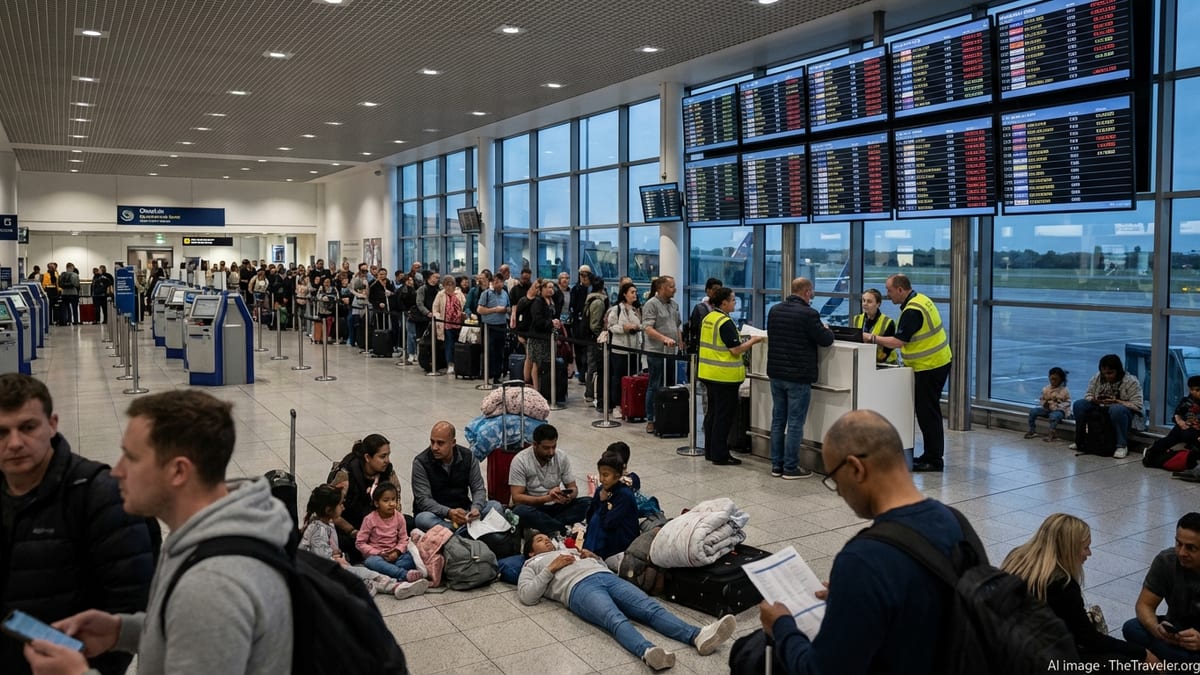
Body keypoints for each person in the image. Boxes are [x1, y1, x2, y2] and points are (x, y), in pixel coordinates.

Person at [22, 389, 293, 675]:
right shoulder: (209, 533)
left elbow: (204, 614)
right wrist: (122, 631)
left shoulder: (210, 586)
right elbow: (193, 635)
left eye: (131, 458)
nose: (117, 471)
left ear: (178, 471)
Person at [758, 409, 970, 674]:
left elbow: (818, 671)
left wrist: (782, 625)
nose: (839, 494)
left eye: (835, 480)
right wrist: (855, 597)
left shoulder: (863, 559)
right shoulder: (956, 522)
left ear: (856, 469)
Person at [0, 375, 157, 675]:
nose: (15, 443)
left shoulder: (100, 495)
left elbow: (129, 607)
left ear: (53, 424)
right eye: (2, 432)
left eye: (28, 427)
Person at [518, 531, 737, 670]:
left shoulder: (570, 550)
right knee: (615, 619)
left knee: (650, 608)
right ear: (530, 553)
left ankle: (697, 635)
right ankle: (648, 652)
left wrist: (594, 558)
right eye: (539, 540)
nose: (546, 540)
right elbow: (527, 596)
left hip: (606, 577)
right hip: (578, 588)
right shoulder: (532, 565)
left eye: (547, 537)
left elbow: (603, 565)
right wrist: (551, 568)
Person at [1002, 514, 1151, 668]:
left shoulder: (1016, 559)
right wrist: (1142, 653)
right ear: (1069, 549)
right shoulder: (1062, 585)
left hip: (1005, 650)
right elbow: (1090, 639)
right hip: (1041, 661)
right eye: (1085, 548)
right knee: (1123, 663)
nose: (1089, 553)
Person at [871, 274, 953, 472]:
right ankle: (930, 455)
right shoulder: (921, 300)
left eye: (890, 290)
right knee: (928, 412)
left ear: (900, 289)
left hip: (929, 366)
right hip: (936, 362)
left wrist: (871, 338)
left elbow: (898, 342)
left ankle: (933, 460)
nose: (888, 295)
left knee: (927, 413)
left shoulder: (912, 311)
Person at [299, 484, 428, 599]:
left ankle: (395, 584)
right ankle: (396, 584)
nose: (343, 507)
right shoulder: (318, 529)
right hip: (320, 573)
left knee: (365, 572)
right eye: (340, 504)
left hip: (333, 566)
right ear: (328, 510)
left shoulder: (327, 523)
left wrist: (397, 551)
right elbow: (322, 561)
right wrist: (338, 559)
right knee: (365, 572)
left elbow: (403, 539)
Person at [766, 278, 834, 479]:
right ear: (806, 292)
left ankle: (776, 466)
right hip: (798, 376)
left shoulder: (774, 310)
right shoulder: (809, 314)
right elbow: (825, 340)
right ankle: (790, 467)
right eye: (811, 291)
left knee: (778, 421)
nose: (812, 294)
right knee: (795, 423)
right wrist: (827, 329)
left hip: (776, 373)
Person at [1122, 513, 1200, 662]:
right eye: (1178, 544)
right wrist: (1156, 629)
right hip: (1176, 631)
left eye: (1191, 548)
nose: (1182, 552)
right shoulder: (1166, 561)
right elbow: (1144, 605)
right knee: (1131, 628)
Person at [699, 288, 763, 466]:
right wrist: (753, 341)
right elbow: (735, 350)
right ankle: (720, 454)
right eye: (733, 300)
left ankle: (710, 451)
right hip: (724, 377)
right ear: (724, 303)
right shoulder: (725, 322)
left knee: (712, 414)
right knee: (723, 417)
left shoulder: (709, 318)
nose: (735, 303)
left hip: (708, 373)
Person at [411, 421, 504, 532]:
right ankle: (463, 530)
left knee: (496, 506)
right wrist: (449, 512)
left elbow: (478, 488)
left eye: (440, 443)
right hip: (437, 514)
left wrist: (476, 508)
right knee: (423, 519)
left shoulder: (468, 456)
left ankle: (456, 531)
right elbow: (423, 500)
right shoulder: (421, 462)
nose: (434, 447)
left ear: (453, 443)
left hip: (464, 511)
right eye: (432, 442)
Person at [328, 434, 404, 563]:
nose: (387, 461)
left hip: (379, 525)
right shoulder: (346, 475)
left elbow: (396, 505)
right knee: (339, 539)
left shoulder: (388, 473)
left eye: (388, 455)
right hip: (352, 526)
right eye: (382, 456)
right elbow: (332, 513)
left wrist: (387, 529)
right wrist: (353, 531)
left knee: (409, 523)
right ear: (368, 457)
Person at [509, 424, 591, 535]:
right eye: (546, 448)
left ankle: (550, 527)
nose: (551, 452)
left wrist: (567, 496)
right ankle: (562, 529)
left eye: (554, 447)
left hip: (556, 507)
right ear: (535, 445)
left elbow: (573, 488)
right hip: (534, 508)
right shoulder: (520, 461)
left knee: (589, 503)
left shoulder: (561, 457)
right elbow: (517, 498)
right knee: (520, 512)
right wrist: (548, 498)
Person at [1069, 354, 1144, 459]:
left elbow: (1138, 405)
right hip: (1100, 407)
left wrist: (1117, 401)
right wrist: (1094, 400)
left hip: (1122, 411)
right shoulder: (1097, 378)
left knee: (1116, 409)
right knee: (1079, 405)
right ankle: (1080, 440)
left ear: (1118, 371)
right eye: (1104, 373)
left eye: (1110, 373)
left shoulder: (1131, 381)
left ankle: (1121, 445)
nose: (1106, 376)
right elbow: (1088, 394)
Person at [355, 482, 425, 583]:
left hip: (395, 555)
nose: (391, 503)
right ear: (376, 503)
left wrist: (397, 552)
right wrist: (378, 553)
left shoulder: (399, 517)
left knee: (410, 558)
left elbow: (404, 539)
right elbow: (360, 543)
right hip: (377, 556)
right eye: (386, 500)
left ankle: (391, 573)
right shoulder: (369, 519)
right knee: (371, 562)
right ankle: (403, 575)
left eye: (393, 499)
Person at [582, 451, 640, 569]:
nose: (601, 479)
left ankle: (595, 556)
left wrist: (604, 503)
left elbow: (609, 524)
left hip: (619, 541)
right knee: (592, 512)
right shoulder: (601, 490)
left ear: (617, 476)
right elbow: (590, 516)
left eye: (606, 475)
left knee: (599, 517)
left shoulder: (624, 495)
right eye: (600, 474)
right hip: (603, 536)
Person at [642, 275, 683, 434]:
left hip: (671, 352)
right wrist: (664, 339)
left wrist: (680, 342)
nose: (674, 289)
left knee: (671, 385)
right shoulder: (651, 304)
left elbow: (677, 326)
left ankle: (668, 416)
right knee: (655, 384)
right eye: (671, 286)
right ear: (661, 288)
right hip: (656, 352)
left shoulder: (674, 305)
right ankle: (651, 419)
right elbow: (647, 328)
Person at [605, 281, 643, 418]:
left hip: (634, 350)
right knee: (618, 378)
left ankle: (630, 404)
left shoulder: (636, 310)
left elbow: (642, 325)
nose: (635, 295)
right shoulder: (616, 309)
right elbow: (611, 326)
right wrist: (624, 328)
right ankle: (617, 405)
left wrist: (636, 327)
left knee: (633, 377)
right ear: (625, 294)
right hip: (619, 350)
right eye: (632, 292)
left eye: (635, 292)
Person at [1156, 376, 1200, 477]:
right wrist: (1180, 421)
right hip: (1187, 429)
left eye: (1198, 390)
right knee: (1176, 431)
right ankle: (1156, 451)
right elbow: (1177, 414)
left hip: (1196, 433)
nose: (1197, 393)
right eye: (1195, 390)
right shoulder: (1188, 401)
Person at [477, 273, 511, 383]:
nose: (499, 284)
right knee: (489, 351)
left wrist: (505, 310)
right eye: (496, 282)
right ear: (492, 283)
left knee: (500, 352)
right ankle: (487, 374)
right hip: (489, 327)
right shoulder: (486, 294)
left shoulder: (505, 294)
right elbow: (480, 310)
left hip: (501, 326)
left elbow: (509, 308)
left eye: (500, 282)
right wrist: (495, 310)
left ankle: (497, 375)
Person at [529, 279, 561, 392]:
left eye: (552, 287)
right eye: (548, 287)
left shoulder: (553, 301)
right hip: (538, 337)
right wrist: (551, 322)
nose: (551, 290)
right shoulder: (537, 302)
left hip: (549, 337)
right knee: (536, 364)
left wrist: (555, 322)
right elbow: (537, 321)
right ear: (542, 289)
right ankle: (536, 389)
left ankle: (546, 388)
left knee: (547, 364)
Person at [1026, 367, 1072, 441]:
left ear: (1061, 380)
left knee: (1054, 416)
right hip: (1048, 409)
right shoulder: (1046, 389)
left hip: (1059, 410)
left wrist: (1058, 406)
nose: (1053, 381)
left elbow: (1068, 402)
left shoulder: (1064, 390)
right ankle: (1032, 430)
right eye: (1051, 379)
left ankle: (1051, 433)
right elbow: (1042, 399)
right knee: (1033, 411)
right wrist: (1044, 404)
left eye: (1055, 380)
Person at [852, 288, 896, 364]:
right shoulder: (856, 319)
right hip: (863, 361)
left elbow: (887, 351)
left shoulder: (888, 322)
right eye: (863, 300)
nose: (865, 304)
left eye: (869, 301)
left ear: (878, 304)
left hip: (885, 363)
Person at [582, 278, 609, 403]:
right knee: (593, 366)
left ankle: (590, 392)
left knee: (591, 365)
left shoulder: (590, 299)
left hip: (590, 337)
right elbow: (594, 324)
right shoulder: (598, 302)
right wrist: (600, 336)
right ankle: (590, 393)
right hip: (594, 339)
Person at [432, 274, 466, 372]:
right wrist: (438, 317)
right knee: (449, 344)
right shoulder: (440, 294)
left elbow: (464, 305)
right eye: (447, 284)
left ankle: (459, 363)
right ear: (444, 285)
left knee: (458, 344)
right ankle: (450, 364)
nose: (449, 286)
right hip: (446, 324)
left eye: (451, 284)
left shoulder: (459, 294)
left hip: (458, 323)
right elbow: (435, 309)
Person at [684, 277, 722, 354]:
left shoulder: (722, 308)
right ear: (707, 290)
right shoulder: (700, 308)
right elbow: (694, 329)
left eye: (719, 290)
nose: (717, 292)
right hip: (702, 346)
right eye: (715, 289)